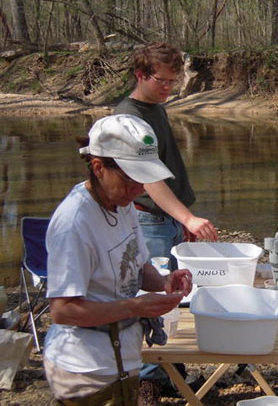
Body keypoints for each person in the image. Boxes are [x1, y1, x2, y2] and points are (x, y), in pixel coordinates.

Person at [43, 114, 193, 405]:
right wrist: (135, 306)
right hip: (83, 368)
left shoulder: (123, 204)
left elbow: (136, 266)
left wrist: (163, 281)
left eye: (146, 179)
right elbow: (63, 311)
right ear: (98, 168)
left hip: (122, 357)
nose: (139, 190)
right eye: (132, 179)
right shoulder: (74, 223)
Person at [113, 42, 216, 401]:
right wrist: (187, 216)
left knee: (173, 297)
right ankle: (148, 381)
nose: (170, 88)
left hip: (168, 220)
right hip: (149, 222)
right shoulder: (128, 118)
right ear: (141, 75)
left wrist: (184, 215)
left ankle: (170, 369)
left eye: (175, 81)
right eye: (163, 81)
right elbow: (149, 181)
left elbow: (170, 171)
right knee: (151, 297)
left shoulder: (156, 107)